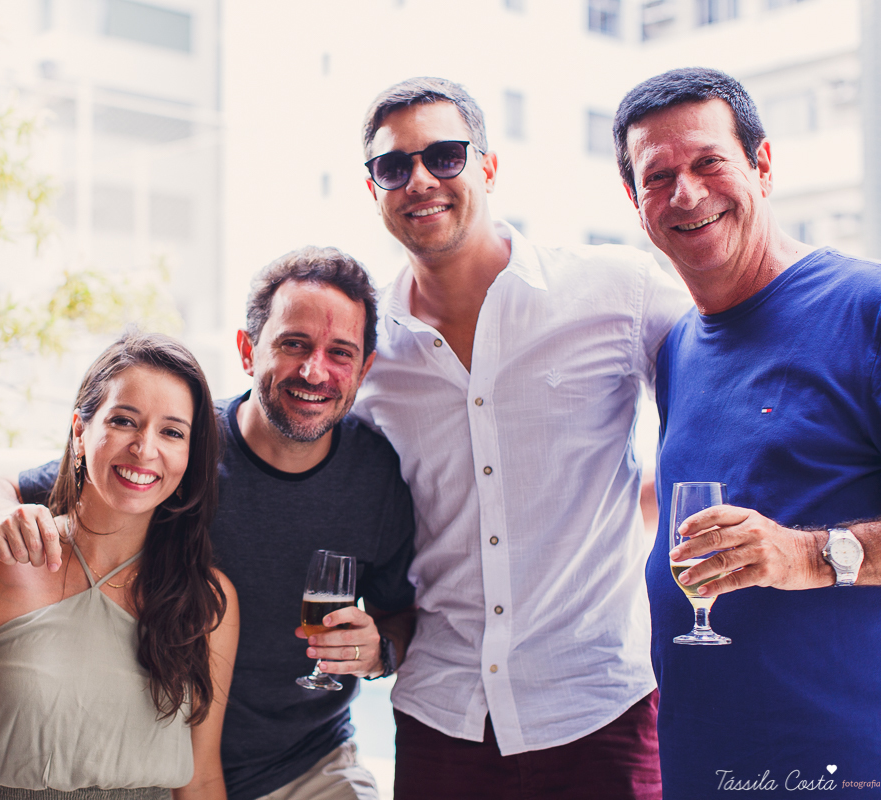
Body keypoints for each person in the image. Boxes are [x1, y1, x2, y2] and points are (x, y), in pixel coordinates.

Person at [0, 247, 417, 800]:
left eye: (340, 352)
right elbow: (2, 490)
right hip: (169, 759)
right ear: (248, 350)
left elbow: (400, 617)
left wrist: (380, 651)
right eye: (293, 343)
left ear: (364, 368)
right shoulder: (177, 443)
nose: (314, 370)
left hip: (306, 763)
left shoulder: (376, 477)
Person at [349, 77, 694, 800]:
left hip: (600, 708)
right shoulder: (369, 352)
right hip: (440, 716)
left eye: (445, 156)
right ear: (374, 187)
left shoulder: (617, 288)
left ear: (489, 168)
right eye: (393, 166)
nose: (420, 180)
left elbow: (728, 382)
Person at [614, 67, 881, 797]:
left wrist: (807, 556)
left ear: (762, 166)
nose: (687, 194)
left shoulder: (866, 306)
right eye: (658, 177)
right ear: (635, 203)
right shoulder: (677, 350)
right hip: (705, 769)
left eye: (709, 163)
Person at [0, 332, 239, 800]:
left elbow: (200, 778)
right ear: (80, 432)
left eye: (172, 432)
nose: (145, 448)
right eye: (124, 421)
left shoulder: (206, 600)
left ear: (188, 457)